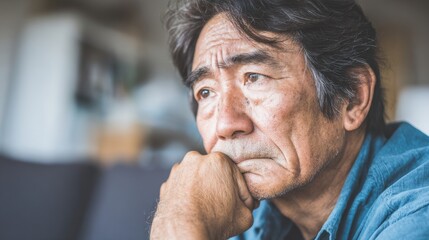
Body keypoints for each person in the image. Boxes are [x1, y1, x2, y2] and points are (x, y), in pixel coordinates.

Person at [151, 0, 429, 239]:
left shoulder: (418, 212)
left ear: (352, 98)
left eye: (255, 77)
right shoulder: (242, 214)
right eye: (207, 92)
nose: (225, 125)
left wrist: (179, 222)